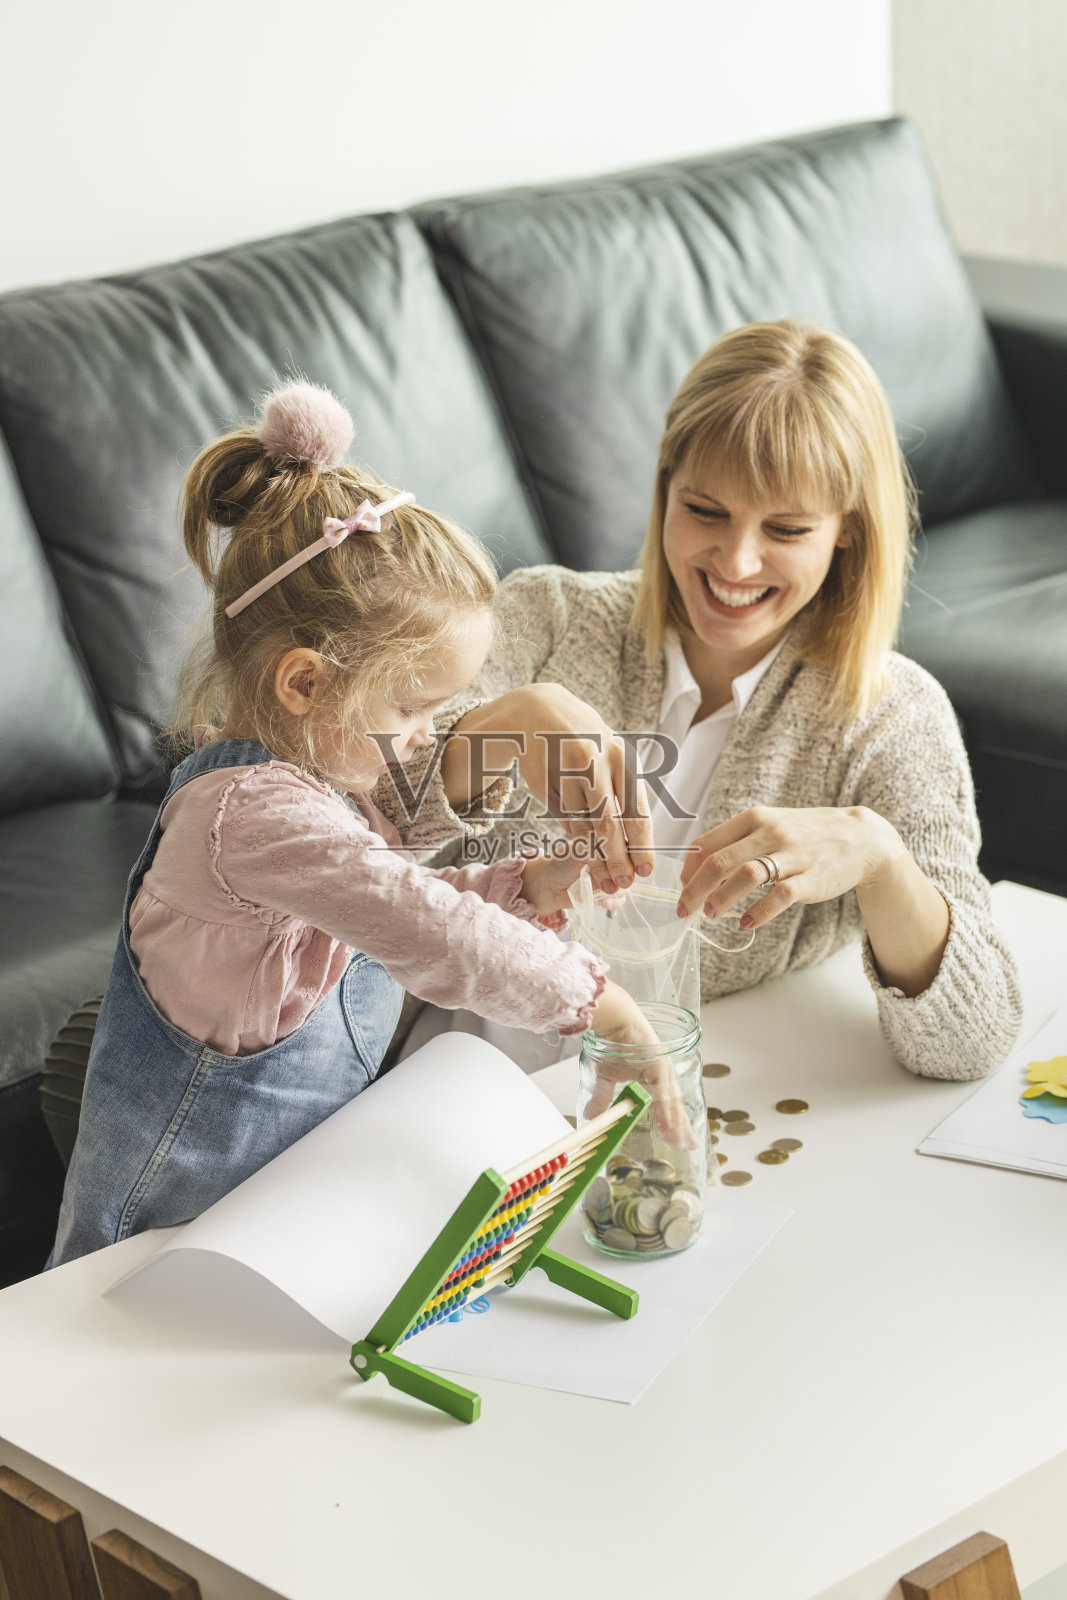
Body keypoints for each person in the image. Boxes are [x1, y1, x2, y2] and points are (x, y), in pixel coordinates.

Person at [51, 381, 681, 1267]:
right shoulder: (252, 817)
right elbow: (431, 933)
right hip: (162, 1247)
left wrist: (517, 885)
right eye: (415, 706)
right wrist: (606, 1009)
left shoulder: (312, 790)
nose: (429, 732)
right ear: (304, 684)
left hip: (272, 1223)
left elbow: (386, 905)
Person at [378, 320, 1021, 1082]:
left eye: (785, 528)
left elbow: (970, 1040)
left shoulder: (889, 718)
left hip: (668, 1090)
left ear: (848, 531)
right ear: (663, 490)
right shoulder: (545, 618)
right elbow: (338, 824)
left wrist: (881, 859)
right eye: (705, 511)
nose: (735, 561)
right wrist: (489, 730)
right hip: (435, 1071)